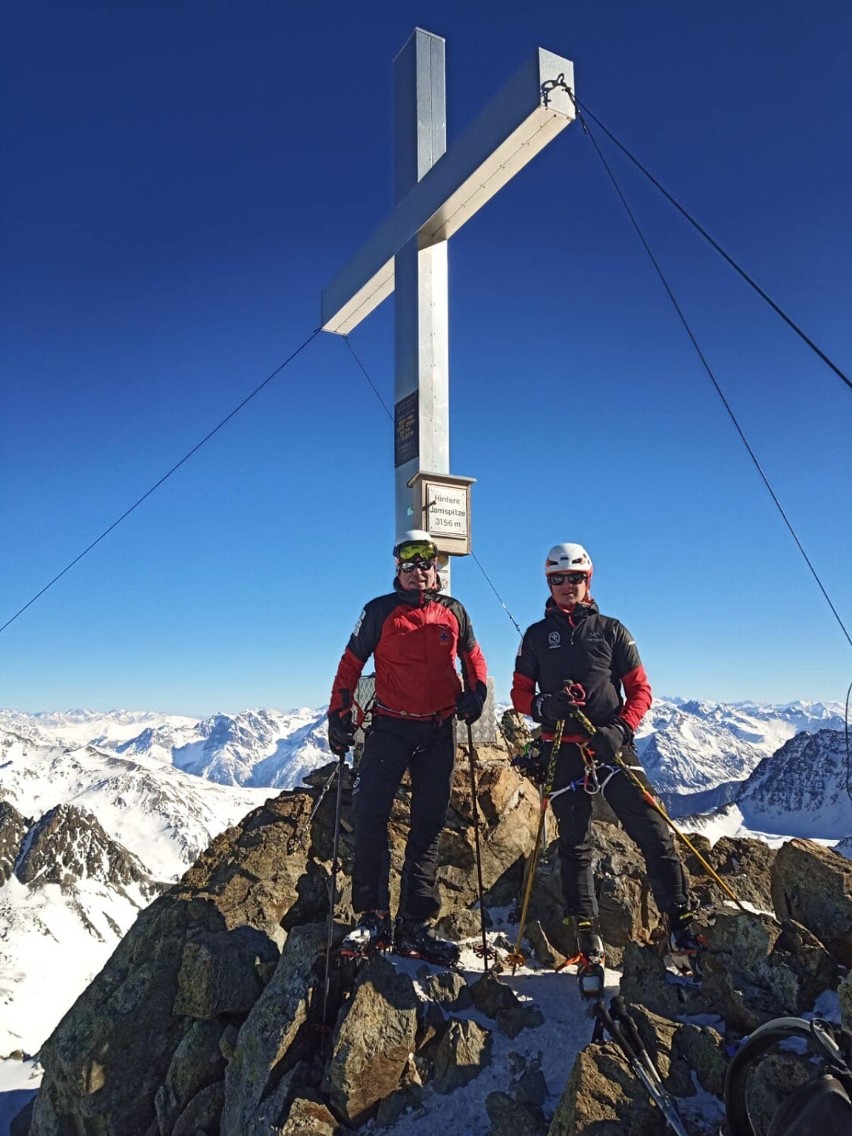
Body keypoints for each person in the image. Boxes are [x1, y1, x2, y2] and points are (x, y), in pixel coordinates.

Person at [511, 542, 698, 966]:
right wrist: (546, 707)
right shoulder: (537, 637)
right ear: (548, 583)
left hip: (610, 747)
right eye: (557, 579)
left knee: (654, 832)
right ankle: (586, 935)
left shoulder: (612, 631)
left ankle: (680, 920)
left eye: (574, 577)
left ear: (587, 580)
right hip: (562, 749)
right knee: (575, 845)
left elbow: (641, 690)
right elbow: (520, 696)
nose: (566, 586)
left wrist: (620, 728)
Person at [327, 529, 489, 966]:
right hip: (390, 728)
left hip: (438, 730)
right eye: (410, 562)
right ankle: (373, 916)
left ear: (435, 566)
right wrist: (338, 713)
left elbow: (473, 657)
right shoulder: (378, 612)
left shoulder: (453, 611)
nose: (419, 570)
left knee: (428, 824)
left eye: (426, 561)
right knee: (369, 816)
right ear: (397, 568)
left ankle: (415, 922)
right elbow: (350, 663)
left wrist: (477, 692)